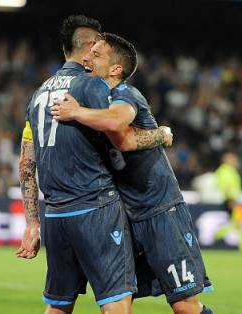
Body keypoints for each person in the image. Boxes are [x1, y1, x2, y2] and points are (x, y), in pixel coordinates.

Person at [16, 15, 172, 314]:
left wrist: (33, 223)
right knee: (116, 303)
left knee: (59, 305)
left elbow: (26, 162)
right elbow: (122, 135)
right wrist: (161, 135)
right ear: (90, 47)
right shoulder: (91, 86)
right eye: (100, 45)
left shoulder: (38, 94)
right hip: (94, 207)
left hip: (56, 215)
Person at [51, 33, 214, 314]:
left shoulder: (125, 94)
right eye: (88, 53)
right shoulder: (92, 102)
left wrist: (76, 113)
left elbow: (120, 132)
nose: (87, 59)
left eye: (97, 55)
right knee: (119, 302)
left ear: (115, 69)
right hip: (126, 215)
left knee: (184, 306)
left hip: (159, 210)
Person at [215, 152, 242, 253]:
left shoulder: (229, 170)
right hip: (230, 200)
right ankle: (218, 234)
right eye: (232, 159)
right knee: (239, 222)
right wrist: (230, 200)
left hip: (233, 199)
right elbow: (226, 186)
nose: (235, 161)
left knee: (237, 223)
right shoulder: (225, 171)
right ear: (226, 160)